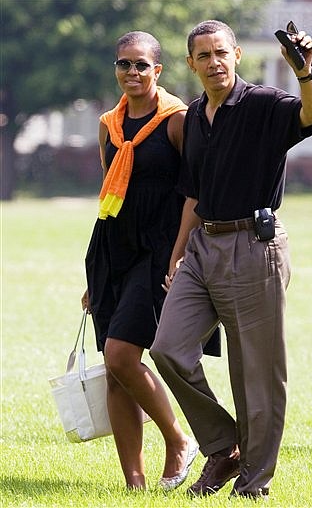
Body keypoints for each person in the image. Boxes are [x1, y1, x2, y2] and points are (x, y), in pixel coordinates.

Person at [150, 20, 312, 500]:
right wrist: (179, 253)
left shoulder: (264, 105)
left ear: (236, 55)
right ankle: (224, 446)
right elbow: (192, 193)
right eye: (203, 56)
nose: (214, 62)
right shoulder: (194, 116)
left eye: (221, 53)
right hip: (203, 247)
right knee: (167, 348)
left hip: (254, 247)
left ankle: (254, 483)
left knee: (256, 377)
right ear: (191, 64)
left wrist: (305, 73)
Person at [81, 30, 217, 490]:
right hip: (111, 248)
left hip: (158, 251)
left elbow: (193, 194)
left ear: (158, 70)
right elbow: (109, 193)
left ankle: (179, 440)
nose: (132, 73)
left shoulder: (177, 120)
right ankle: (133, 485)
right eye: (124, 64)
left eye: (141, 65)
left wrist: (180, 255)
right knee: (115, 371)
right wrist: (93, 275)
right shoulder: (107, 124)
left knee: (121, 356)